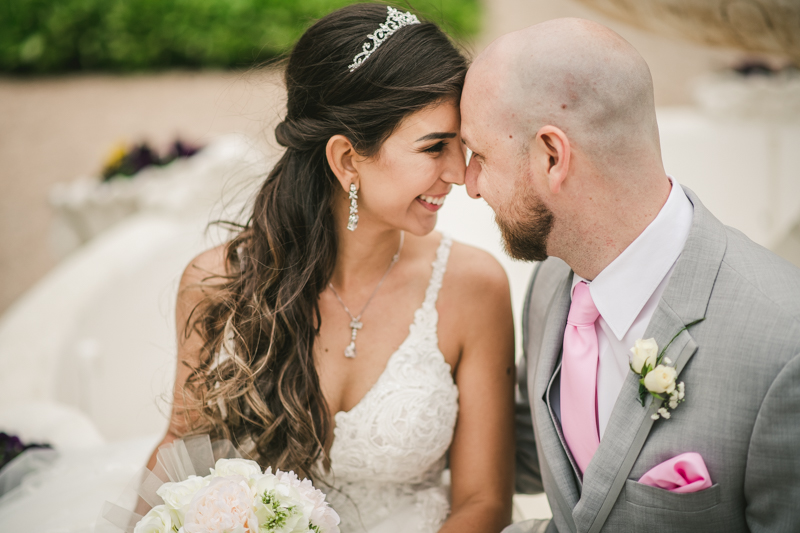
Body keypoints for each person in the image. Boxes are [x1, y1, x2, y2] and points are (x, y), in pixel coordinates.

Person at [148, 4, 515, 533]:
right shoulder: (218, 286)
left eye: (462, 145)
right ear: (347, 160)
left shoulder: (473, 288)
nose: (460, 173)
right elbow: (180, 465)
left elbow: (483, 502)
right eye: (435, 146)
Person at [460, 17, 800, 533]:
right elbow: (545, 460)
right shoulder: (552, 283)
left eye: (479, 155)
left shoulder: (783, 347)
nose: (469, 184)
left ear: (553, 156)